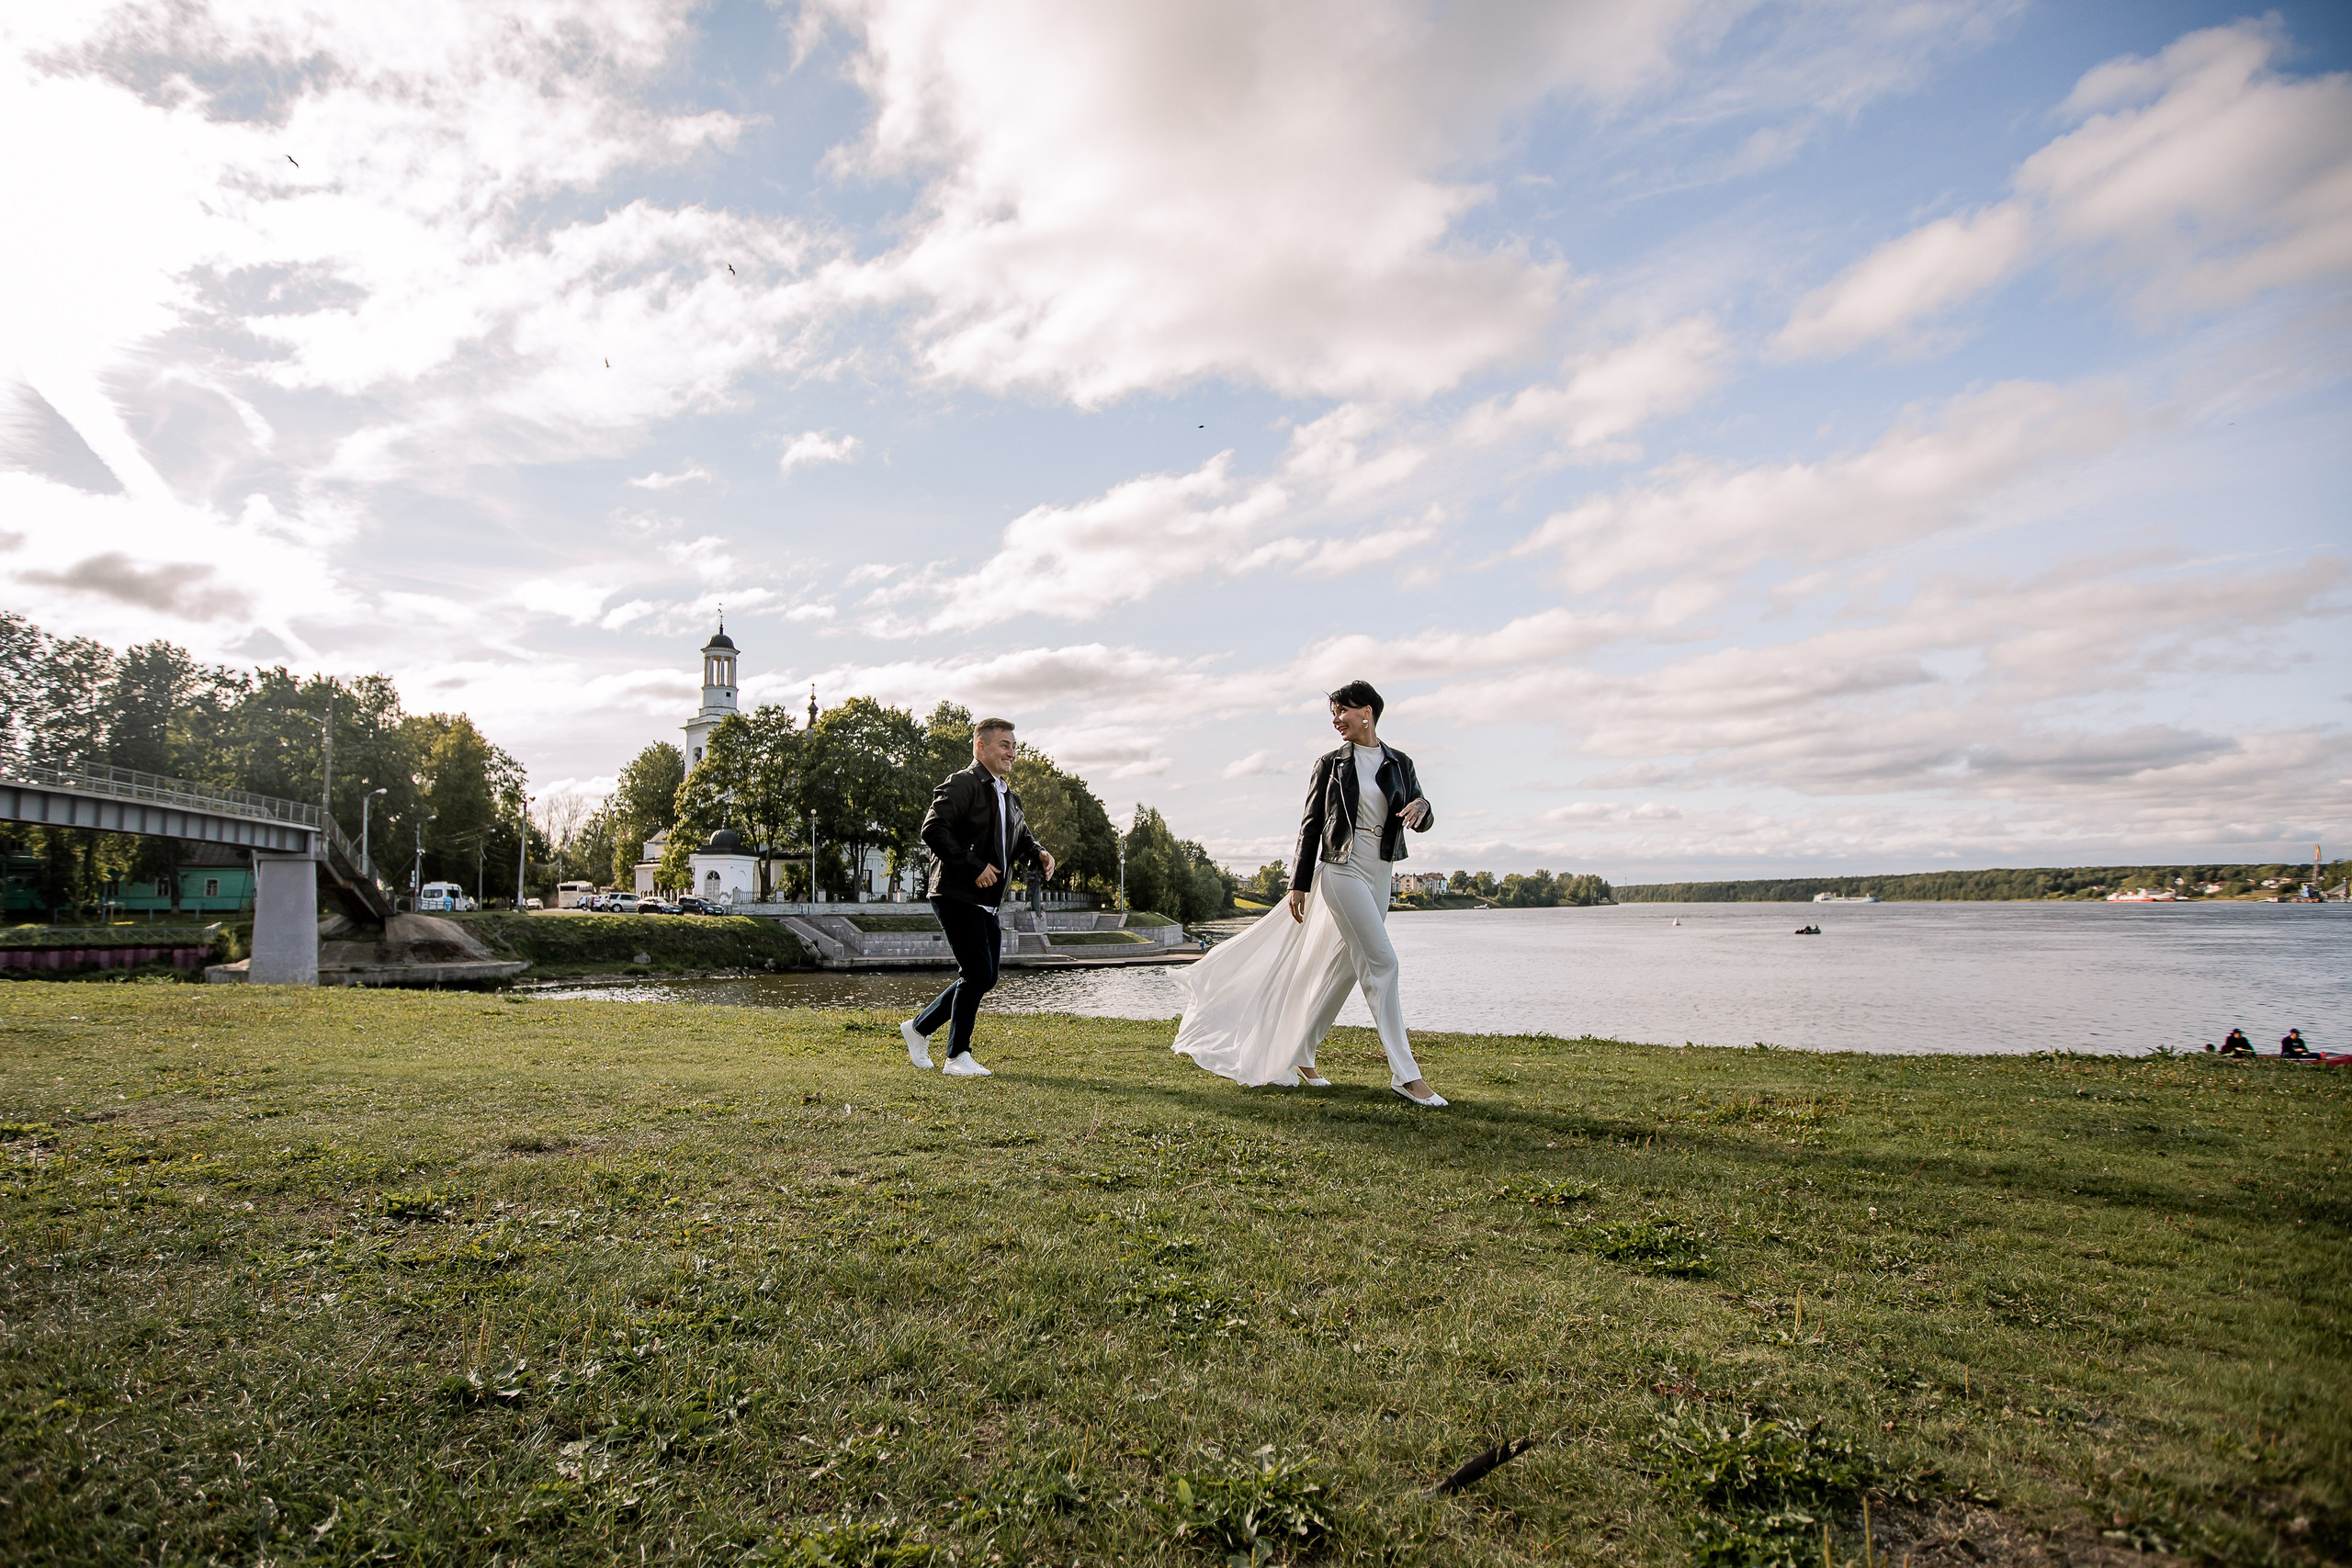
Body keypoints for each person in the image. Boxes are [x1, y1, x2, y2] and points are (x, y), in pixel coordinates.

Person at [1170, 679, 1445, 1106]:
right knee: (1383, 963)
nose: (1336, 720)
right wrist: (1298, 883)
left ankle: (1301, 1053)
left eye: (1342, 711)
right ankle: (1406, 1075)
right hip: (1342, 869)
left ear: (1367, 712)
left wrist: (1422, 807)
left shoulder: (1400, 763)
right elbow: (1311, 825)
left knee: (1345, 970)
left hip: (1381, 871)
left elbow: (1421, 814)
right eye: (1333, 714)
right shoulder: (1330, 764)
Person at [900, 716, 1054, 1078]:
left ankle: (919, 1027)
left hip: (987, 899)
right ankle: (957, 1056)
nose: (1011, 752)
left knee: (985, 977)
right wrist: (973, 866)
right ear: (981, 746)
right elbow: (933, 829)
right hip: (956, 892)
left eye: (1014, 746)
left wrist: (1039, 852)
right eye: (1004, 745)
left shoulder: (1009, 796)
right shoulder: (962, 783)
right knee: (977, 972)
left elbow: (1021, 838)